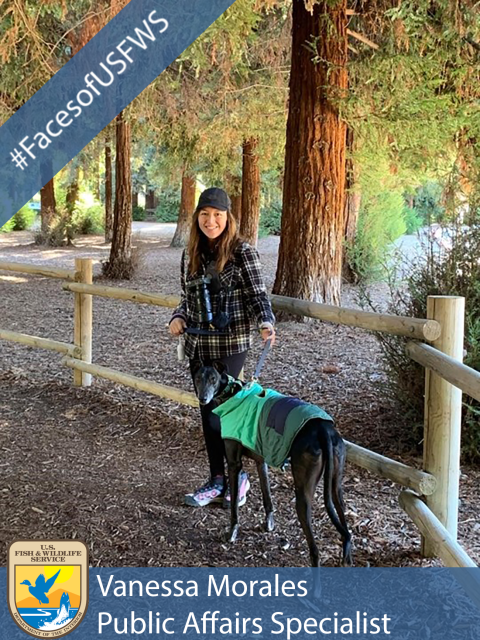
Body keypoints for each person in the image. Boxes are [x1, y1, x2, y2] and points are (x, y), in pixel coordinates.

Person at [169, 187, 276, 507]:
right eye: (205, 214)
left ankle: (238, 479)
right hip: (198, 344)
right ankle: (217, 480)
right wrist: (177, 315)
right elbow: (188, 297)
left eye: (217, 215)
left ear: (228, 218)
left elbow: (258, 294)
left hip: (230, 344)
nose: (210, 221)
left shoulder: (244, 252)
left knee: (225, 414)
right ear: (197, 217)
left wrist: (266, 321)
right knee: (207, 412)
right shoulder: (191, 252)